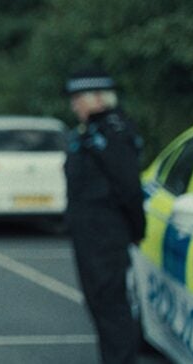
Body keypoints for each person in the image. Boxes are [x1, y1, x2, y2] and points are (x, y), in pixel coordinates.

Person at [63, 67, 146, 364]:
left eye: (79, 98)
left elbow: (129, 187)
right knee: (99, 305)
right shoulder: (91, 132)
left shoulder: (114, 132)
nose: (74, 105)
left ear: (99, 98)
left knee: (112, 308)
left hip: (106, 238)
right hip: (90, 236)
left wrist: (137, 230)